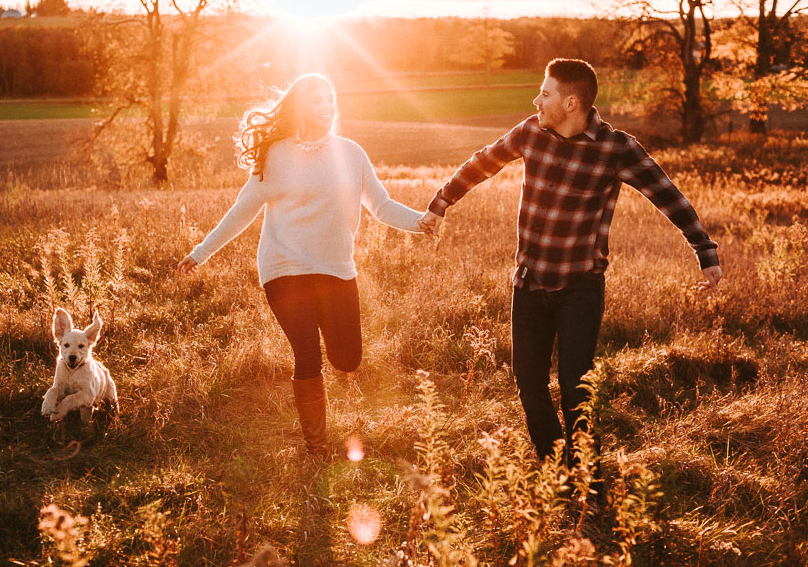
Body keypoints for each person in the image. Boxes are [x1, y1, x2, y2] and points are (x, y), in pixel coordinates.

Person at [418, 59, 723, 488]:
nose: (536, 101)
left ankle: (586, 482)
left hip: (580, 284)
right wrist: (440, 202)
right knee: (530, 385)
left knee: (576, 389)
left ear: (571, 102)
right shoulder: (530, 133)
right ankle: (556, 473)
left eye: (544, 94)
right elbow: (482, 163)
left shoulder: (617, 148)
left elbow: (668, 196)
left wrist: (705, 252)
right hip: (529, 281)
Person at [178, 73, 424, 459]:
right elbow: (241, 212)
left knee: (347, 358)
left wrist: (419, 221)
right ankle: (316, 447)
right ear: (298, 107)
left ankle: (320, 432)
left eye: (330, 98)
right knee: (307, 354)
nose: (326, 106)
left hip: (336, 269)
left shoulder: (351, 153)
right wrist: (201, 252)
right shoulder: (275, 156)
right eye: (315, 100)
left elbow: (381, 205)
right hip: (284, 269)